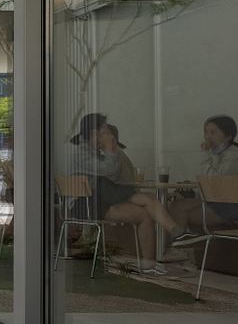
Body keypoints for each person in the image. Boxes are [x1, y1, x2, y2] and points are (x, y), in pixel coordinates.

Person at [68, 113, 188, 274]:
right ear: (94, 132)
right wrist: (112, 150)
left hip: (100, 200)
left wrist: (112, 150)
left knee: (144, 214)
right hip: (85, 204)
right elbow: (108, 172)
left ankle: (149, 264)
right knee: (146, 199)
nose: (108, 133)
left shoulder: (94, 152)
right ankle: (176, 233)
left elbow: (116, 176)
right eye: (104, 129)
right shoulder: (81, 154)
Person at [170, 115, 238, 236]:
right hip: (216, 202)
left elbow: (214, 179)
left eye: (213, 132)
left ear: (228, 136)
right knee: (176, 205)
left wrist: (205, 154)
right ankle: (179, 246)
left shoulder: (236, 155)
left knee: (180, 212)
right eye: (206, 132)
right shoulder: (214, 153)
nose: (208, 136)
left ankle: (180, 246)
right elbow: (204, 183)